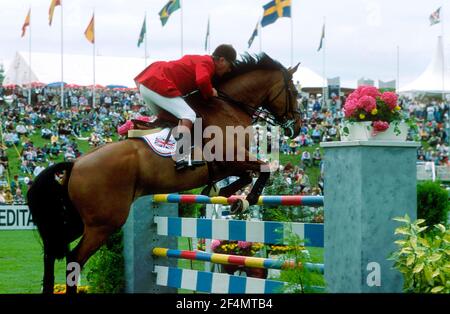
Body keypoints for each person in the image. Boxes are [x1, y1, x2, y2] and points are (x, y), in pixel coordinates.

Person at [134, 44, 237, 170]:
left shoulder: (202, 61)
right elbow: (202, 80)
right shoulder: (207, 62)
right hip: (157, 82)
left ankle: (161, 154)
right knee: (188, 115)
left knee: (169, 119)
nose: (229, 70)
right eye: (230, 66)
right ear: (221, 60)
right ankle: (182, 156)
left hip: (148, 84)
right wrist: (211, 93)